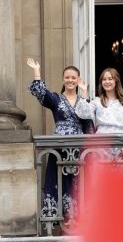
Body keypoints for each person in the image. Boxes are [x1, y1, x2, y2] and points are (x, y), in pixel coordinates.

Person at [27, 58, 94, 223]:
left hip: (78, 148)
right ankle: (61, 222)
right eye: (67, 77)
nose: (70, 80)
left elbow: (89, 123)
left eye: (73, 78)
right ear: (63, 79)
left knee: (78, 183)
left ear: (78, 80)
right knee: (59, 181)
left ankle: (79, 221)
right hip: (59, 147)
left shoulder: (84, 99)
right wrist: (37, 71)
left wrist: (84, 95)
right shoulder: (56, 98)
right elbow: (40, 92)